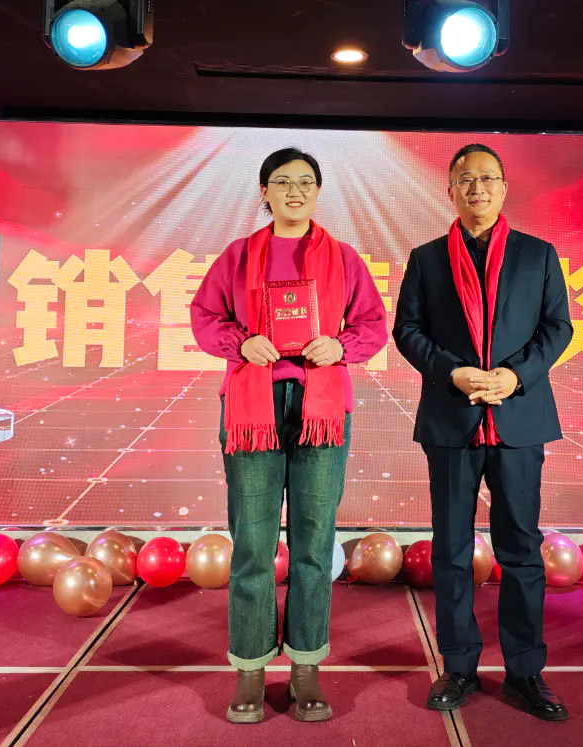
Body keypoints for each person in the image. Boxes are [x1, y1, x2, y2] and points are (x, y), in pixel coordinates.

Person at [190, 147, 388, 724]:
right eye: (282, 182)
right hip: (252, 405)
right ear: (264, 192)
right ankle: (250, 669)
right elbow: (204, 316)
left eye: (305, 182)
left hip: (321, 405)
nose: (294, 191)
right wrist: (241, 343)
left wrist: (340, 346)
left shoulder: (343, 258)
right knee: (252, 543)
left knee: (313, 541)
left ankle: (305, 666)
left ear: (318, 192)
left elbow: (373, 324)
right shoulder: (238, 255)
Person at [393, 144, 573, 721]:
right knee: (450, 550)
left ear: (504, 188)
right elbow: (408, 330)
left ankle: (525, 670)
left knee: (521, 549)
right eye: (465, 179)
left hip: (518, 416)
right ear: (450, 189)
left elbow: (557, 327)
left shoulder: (537, 254)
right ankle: (459, 666)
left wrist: (514, 376)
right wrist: (454, 371)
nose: (477, 188)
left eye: (487, 178)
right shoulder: (426, 259)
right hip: (452, 417)